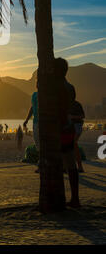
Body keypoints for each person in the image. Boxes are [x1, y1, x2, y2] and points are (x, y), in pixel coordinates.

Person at [55, 57, 80, 208]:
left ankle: (67, 198)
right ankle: (75, 197)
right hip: (69, 127)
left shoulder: (56, 88)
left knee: (59, 163)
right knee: (70, 164)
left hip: (60, 128)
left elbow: (59, 109)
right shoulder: (70, 87)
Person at [23, 83, 39, 172]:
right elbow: (32, 108)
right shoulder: (34, 95)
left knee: (42, 144)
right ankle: (42, 163)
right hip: (36, 122)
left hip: (44, 122)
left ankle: (42, 164)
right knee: (38, 144)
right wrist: (26, 120)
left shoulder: (48, 95)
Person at [70, 100, 85, 173]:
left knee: (73, 144)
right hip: (68, 127)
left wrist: (72, 117)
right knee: (71, 145)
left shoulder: (76, 104)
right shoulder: (63, 103)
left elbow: (82, 116)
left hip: (77, 125)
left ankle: (79, 166)